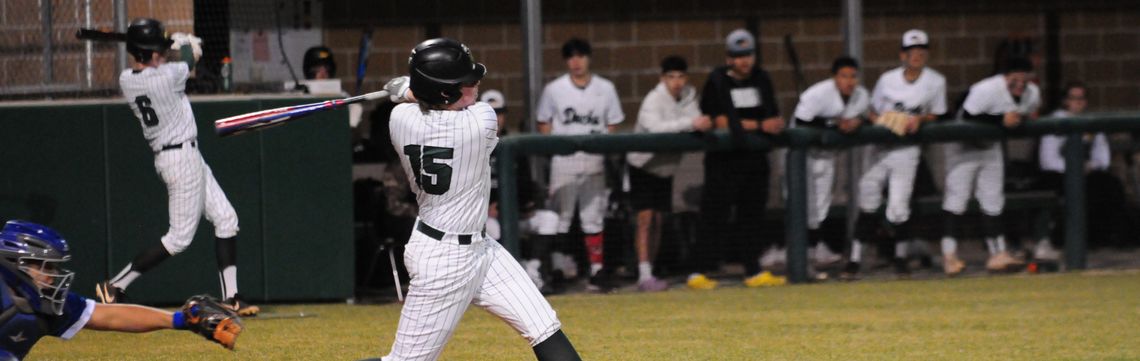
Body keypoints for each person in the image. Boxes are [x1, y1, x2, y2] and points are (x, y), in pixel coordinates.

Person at [368, 38, 581, 361]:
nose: (476, 83)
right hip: (442, 260)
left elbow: (414, 97)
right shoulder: (480, 122)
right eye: (466, 82)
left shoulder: (400, 120)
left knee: (544, 327)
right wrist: (409, 87)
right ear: (445, 92)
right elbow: (414, 93)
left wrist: (412, 88)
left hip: (482, 249)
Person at [98, 18, 257, 316]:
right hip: (179, 159)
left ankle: (231, 297)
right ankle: (116, 285)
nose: (160, 53)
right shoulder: (167, 77)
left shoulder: (127, 79)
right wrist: (186, 45)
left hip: (184, 156)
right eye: (155, 49)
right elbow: (188, 59)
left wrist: (166, 45)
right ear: (148, 52)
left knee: (226, 219)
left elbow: (164, 61)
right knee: (178, 239)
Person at [0, 220, 244, 359]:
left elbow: (109, 316)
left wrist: (181, 320)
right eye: (46, 268)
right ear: (16, 265)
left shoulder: (44, 304)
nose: (53, 277)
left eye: (54, 269)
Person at [686, 29, 787, 290]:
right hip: (724, 160)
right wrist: (760, 125)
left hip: (755, 160)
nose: (744, 61)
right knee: (714, 215)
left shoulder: (761, 78)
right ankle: (698, 271)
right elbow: (720, 121)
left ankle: (752, 270)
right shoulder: (718, 80)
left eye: (748, 55)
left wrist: (769, 125)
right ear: (729, 57)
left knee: (752, 216)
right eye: (738, 56)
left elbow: (772, 115)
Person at [843, 29, 947, 279]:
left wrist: (920, 119)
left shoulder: (936, 81)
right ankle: (855, 260)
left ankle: (900, 258)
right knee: (867, 200)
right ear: (903, 54)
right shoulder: (887, 79)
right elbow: (873, 110)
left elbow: (938, 114)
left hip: (907, 149)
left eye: (921, 51)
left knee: (899, 207)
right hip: (880, 147)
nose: (917, 56)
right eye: (912, 52)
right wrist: (885, 120)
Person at [536, 38, 625, 291]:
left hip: (594, 159)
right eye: (571, 57)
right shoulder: (555, 89)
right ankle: (557, 269)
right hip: (564, 160)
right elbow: (544, 122)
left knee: (593, 217)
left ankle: (597, 271)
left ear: (588, 58)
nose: (576, 61)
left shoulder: (605, 88)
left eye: (580, 56)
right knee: (559, 218)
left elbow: (613, 123)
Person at [939, 57, 1039, 275]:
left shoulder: (1031, 93)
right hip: (962, 146)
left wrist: (1014, 121)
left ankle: (998, 254)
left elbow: (1028, 114)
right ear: (1005, 76)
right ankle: (949, 256)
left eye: (1025, 77)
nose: (1021, 82)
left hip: (990, 146)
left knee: (993, 199)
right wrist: (1000, 120)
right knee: (957, 199)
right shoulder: (987, 89)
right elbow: (966, 116)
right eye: (1016, 77)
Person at [626, 56, 711, 292]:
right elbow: (655, 129)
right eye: (671, 76)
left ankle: (650, 270)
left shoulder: (689, 97)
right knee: (645, 218)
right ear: (662, 78)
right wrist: (691, 123)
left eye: (681, 76)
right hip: (643, 165)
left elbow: (696, 121)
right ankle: (643, 274)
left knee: (659, 219)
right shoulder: (653, 100)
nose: (676, 82)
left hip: (666, 168)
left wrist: (695, 123)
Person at [1036, 82, 1129, 259]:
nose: (1078, 103)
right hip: (1058, 174)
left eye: (1082, 98)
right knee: (1079, 188)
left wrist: (1091, 166)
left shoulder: (1090, 122)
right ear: (1065, 101)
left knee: (1109, 184)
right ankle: (1067, 237)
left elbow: (1102, 156)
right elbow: (1048, 160)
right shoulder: (1055, 121)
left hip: (1086, 173)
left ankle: (1111, 236)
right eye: (1074, 98)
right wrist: (1074, 169)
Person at [791, 56, 869, 269]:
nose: (849, 81)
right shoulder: (817, 94)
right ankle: (800, 259)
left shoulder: (861, 96)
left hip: (827, 156)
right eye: (844, 76)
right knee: (803, 207)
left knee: (821, 209)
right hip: (801, 156)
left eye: (853, 76)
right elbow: (801, 122)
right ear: (835, 77)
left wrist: (858, 121)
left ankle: (812, 254)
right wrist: (833, 124)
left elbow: (866, 115)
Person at [481, 89, 560, 294]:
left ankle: (532, 271)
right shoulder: (474, 144)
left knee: (548, 218)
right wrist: (487, 207)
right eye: (491, 113)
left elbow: (525, 184)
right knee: (494, 228)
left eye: (500, 113)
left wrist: (526, 205)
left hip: (515, 213)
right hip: (483, 219)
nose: (497, 118)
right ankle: (507, 277)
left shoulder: (514, 145)